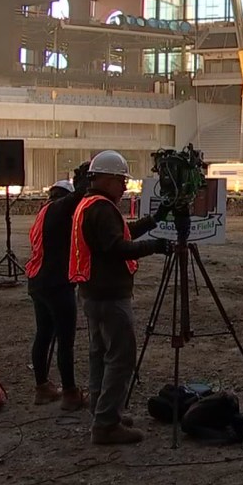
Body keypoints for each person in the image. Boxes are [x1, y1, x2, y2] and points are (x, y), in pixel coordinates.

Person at [70, 150, 170, 445]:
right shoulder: (102, 208)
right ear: (107, 179)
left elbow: (121, 234)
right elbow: (117, 247)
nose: (124, 187)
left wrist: (152, 221)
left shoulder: (90, 205)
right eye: (121, 181)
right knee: (120, 357)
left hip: (92, 293)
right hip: (109, 295)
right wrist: (155, 246)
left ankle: (103, 412)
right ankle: (106, 424)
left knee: (100, 354)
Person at [26, 172, 89, 410]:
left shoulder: (42, 214)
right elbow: (73, 200)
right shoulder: (59, 210)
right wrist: (85, 184)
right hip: (57, 284)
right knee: (65, 340)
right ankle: (70, 393)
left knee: (43, 335)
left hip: (38, 282)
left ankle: (42, 388)